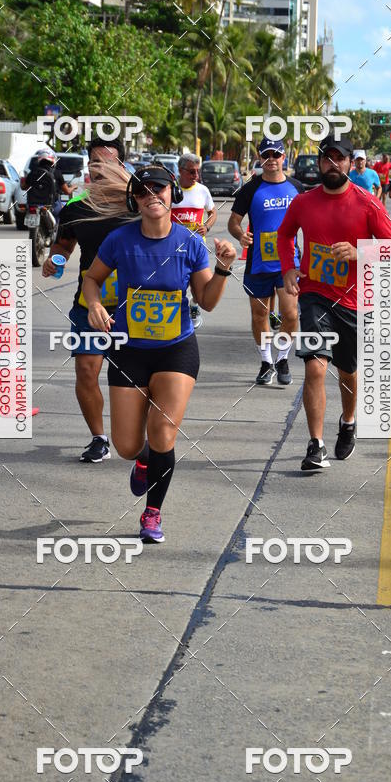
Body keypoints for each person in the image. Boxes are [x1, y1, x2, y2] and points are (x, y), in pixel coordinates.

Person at [82, 166, 237, 543]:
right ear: (134, 198)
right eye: (144, 190)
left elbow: (207, 302)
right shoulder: (120, 240)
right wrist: (94, 304)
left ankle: (152, 513)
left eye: (160, 189)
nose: (153, 195)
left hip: (176, 350)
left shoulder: (190, 243)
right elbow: (91, 278)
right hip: (130, 350)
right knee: (126, 446)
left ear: (173, 195)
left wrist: (223, 269)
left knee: (164, 431)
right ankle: (144, 458)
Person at [277, 134, 391, 471]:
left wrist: (358, 252)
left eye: (339, 159)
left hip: (353, 300)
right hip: (314, 296)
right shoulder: (303, 202)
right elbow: (285, 235)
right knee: (315, 365)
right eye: (326, 159)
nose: (332, 164)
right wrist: (288, 268)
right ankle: (315, 445)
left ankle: (348, 421)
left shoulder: (367, 202)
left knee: (348, 371)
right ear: (319, 163)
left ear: (349, 162)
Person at [42, 137, 134, 463]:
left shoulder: (136, 202)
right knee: (85, 370)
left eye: (107, 161)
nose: (100, 168)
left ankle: (140, 437)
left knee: (135, 378)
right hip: (88, 303)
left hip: (134, 307)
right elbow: (64, 246)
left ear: (121, 165)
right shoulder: (76, 207)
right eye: (94, 162)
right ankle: (99, 438)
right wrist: (54, 261)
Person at [228, 137, 303, 386]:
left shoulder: (296, 187)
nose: (271, 159)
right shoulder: (250, 188)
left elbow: (311, 220)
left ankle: (282, 357)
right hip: (258, 263)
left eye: (276, 154)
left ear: (284, 157)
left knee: (291, 314)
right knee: (260, 313)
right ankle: (266, 362)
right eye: (266, 155)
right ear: (260, 158)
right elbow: (233, 222)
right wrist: (241, 235)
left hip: (288, 263)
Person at [171, 153, 217, 329]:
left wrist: (206, 227)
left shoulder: (202, 190)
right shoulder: (171, 190)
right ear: (180, 171)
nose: (195, 176)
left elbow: (213, 213)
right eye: (191, 172)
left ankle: (194, 306)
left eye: (197, 172)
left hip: (197, 246)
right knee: (176, 282)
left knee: (199, 286)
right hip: (175, 247)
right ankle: (177, 311)